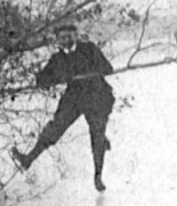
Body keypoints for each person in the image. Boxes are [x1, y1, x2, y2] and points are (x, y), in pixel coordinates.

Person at [11, 23, 115, 192]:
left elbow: (107, 68)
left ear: (75, 35)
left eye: (68, 36)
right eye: (61, 38)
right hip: (73, 98)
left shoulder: (89, 49)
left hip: (96, 95)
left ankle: (98, 176)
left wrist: (90, 74)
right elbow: (44, 79)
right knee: (55, 128)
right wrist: (42, 79)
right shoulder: (57, 58)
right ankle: (28, 159)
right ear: (58, 40)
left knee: (96, 134)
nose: (65, 40)